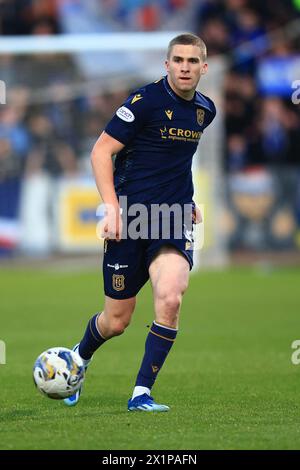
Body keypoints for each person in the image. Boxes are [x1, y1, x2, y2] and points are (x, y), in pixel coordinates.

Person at [64, 33, 216, 411]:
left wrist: (188, 200)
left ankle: (141, 393)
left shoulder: (205, 111)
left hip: (173, 219)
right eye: (178, 60)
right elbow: (101, 151)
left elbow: (174, 161)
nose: (185, 67)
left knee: (170, 295)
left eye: (192, 61)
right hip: (130, 220)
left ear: (204, 68)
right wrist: (112, 207)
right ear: (166, 65)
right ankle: (80, 358)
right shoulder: (144, 101)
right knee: (117, 320)